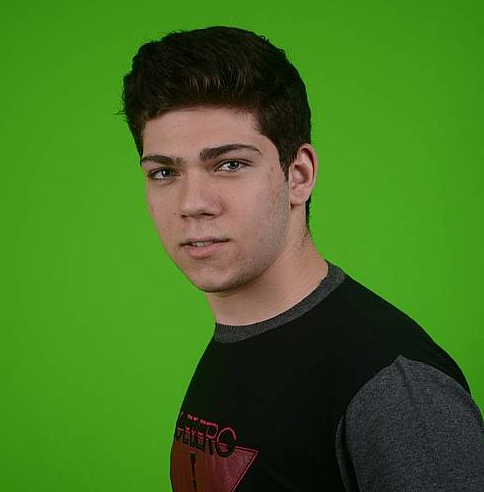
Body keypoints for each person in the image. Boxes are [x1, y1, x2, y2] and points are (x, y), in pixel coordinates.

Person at [119, 25, 484, 491]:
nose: (192, 203)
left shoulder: (394, 387)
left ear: (299, 174)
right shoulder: (238, 339)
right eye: (164, 172)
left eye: (230, 164)